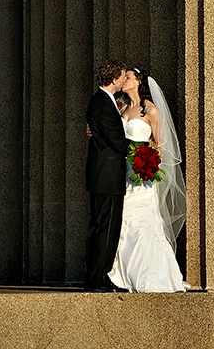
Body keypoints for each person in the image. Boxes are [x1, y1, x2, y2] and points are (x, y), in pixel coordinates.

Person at [108, 68, 186, 292]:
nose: (124, 81)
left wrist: (149, 163)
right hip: (123, 171)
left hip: (142, 173)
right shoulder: (122, 108)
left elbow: (160, 144)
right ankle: (122, 274)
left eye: (128, 77)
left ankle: (148, 273)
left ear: (138, 81)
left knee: (143, 219)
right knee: (124, 219)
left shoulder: (150, 110)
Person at [84, 59, 131, 292]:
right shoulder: (102, 103)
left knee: (101, 226)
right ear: (114, 79)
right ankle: (98, 278)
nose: (124, 79)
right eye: (123, 76)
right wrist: (143, 147)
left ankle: (97, 277)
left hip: (102, 174)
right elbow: (117, 142)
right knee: (107, 227)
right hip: (107, 174)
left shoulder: (103, 101)